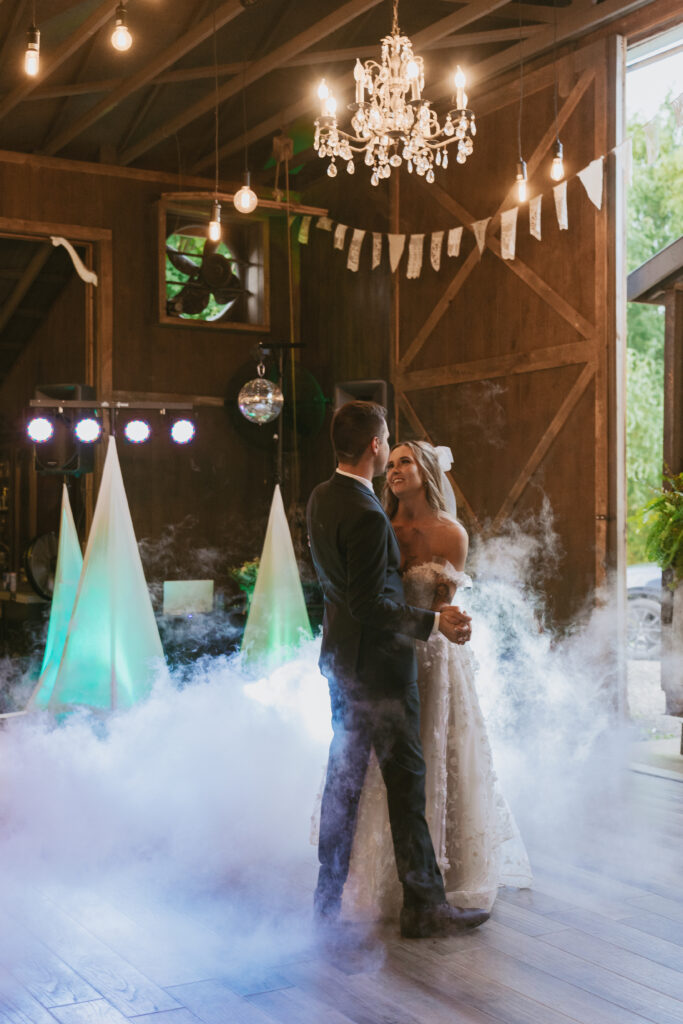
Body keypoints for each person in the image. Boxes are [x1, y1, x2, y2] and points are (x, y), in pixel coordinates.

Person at [306, 401, 490, 939]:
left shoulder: (322, 496)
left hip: (341, 661)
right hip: (380, 669)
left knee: (344, 780)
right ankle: (424, 908)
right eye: (387, 444)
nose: (390, 453)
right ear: (374, 447)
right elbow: (371, 605)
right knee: (405, 785)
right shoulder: (366, 514)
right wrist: (434, 626)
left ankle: (325, 901)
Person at [343, 440, 533, 920]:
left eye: (405, 461)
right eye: (391, 463)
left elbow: (445, 605)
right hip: (387, 654)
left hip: (432, 658)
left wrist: (454, 620)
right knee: (389, 764)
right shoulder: (378, 524)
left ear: (426, 471)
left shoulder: (451, 533)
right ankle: (386, 875)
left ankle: (444, 874)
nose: (394, 470)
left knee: (435, 752)